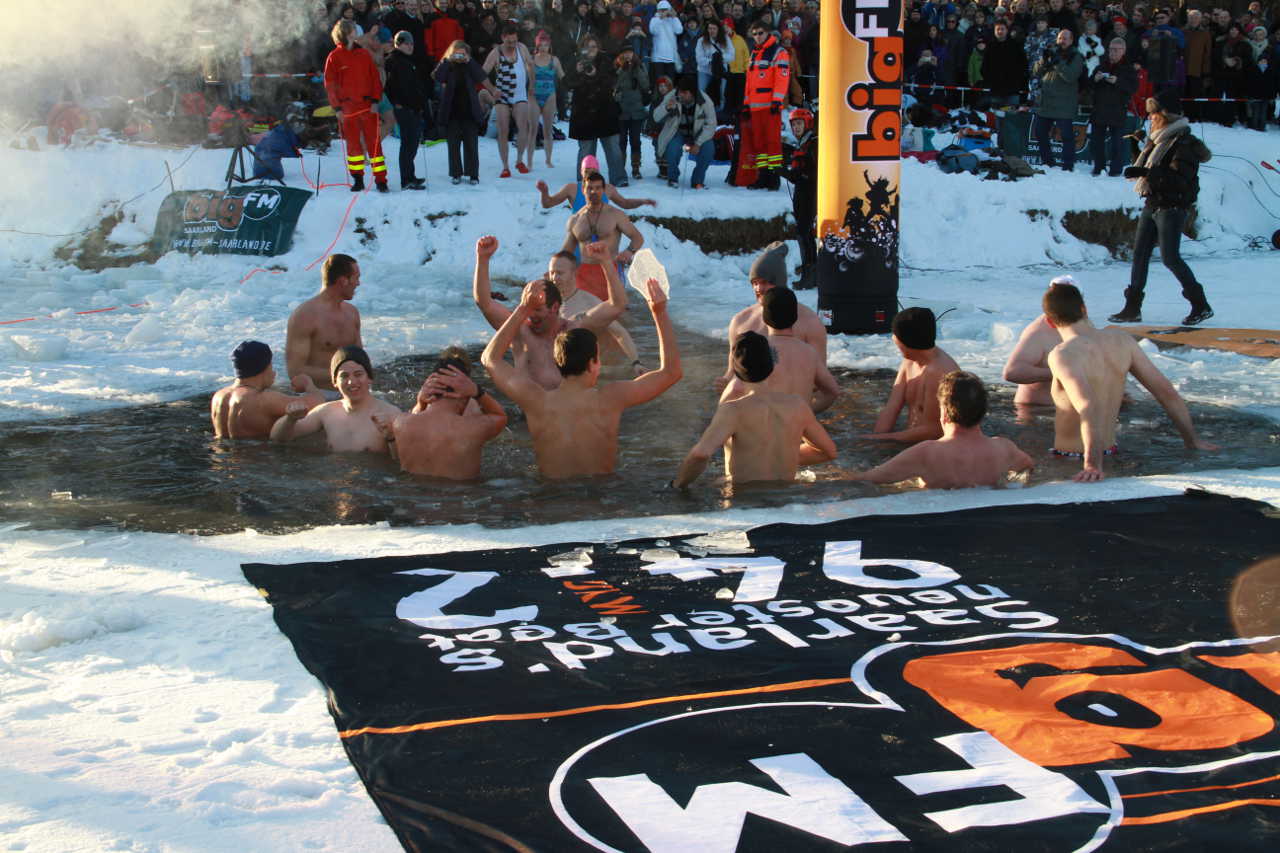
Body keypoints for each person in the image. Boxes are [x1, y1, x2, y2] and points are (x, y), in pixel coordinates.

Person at [481, 277, 682, 478]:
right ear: (593, 363)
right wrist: (659, 313)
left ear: (558, 362)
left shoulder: (535, 400)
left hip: (550, 499)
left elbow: (489, 358)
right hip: (601, 499)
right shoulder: (611, 398)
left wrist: (524, 309)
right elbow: (672, 372)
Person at [1042, 280, 1217, 481]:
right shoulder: (1121, 340)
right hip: (1112, 454)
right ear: (1084, 309)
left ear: (1049, 321)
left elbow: (1088, 406)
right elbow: (1165, 391)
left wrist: (1092, 465)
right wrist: (1192, 440)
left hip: (1073, 462)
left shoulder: (1064, 354)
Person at [674, 330, 836, 487]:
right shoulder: (797, 405)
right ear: (772, 364)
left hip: (745, 502)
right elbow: (828, 452)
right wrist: (781, 457)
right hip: (788, 501)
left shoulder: (734, 410)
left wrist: (676, 485)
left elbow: (700, 454)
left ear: (736, 369)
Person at [1108, 92, 1214, 326]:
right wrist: (1135, 147)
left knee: (1170, 258)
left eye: (1154, 114)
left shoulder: (1183, 143)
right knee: (1140, 255)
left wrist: (1146, 173)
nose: (1151, 118)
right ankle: (1132, 308)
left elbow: (1179, 179)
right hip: (1153, 202)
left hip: (1172, 206)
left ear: (1166, 116)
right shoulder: (1159, 141)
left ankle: (1200, 305)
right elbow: (1148, 168)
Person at [472, 235, 627, 389]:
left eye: (537, 309)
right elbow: (485, 303)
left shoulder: (573, 329)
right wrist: (483, 259)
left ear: (554, 307)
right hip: (531, 408)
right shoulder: (520, 331)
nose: (530, 314)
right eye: (527, 307)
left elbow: (617, 305)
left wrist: (606, 262)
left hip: (570, 407)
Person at [850, 371, 1034, 488]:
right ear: (983, 411)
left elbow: (871, 478)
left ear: (944, 412)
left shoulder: (927, 452)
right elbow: (1028, 467)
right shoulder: (1003, 448)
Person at [717, 241, 827, 391]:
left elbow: (819, 381)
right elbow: (733, 371)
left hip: (793, 407)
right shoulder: (741, 321)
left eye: (764, 282)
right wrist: (725, 382)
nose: (758, 288)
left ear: (780, 282)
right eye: (754, 283)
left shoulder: (810, 322)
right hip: (753, 407)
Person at [386, 348, 508, 478]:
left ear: (429, 390)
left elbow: (415, 417)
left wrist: (421, 403)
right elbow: (500, 416)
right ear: (466, 396)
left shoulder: (400, 422)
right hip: (463, 496)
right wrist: (478, 392)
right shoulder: (475, 428)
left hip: (411, 494)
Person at [720, 287, 838, 412]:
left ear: (764, 316)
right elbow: (832, 392)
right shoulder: (809, 352)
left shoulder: (759, 350)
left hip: (765, 424)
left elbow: (735, 389)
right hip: (798, 426)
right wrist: (808, 413)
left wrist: (724, 413)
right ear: (795, 316)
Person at [270, 346, 402, 453]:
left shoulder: (391, 414)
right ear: (334, 382)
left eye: (358, 374)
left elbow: (405, 462)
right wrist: (290, 419)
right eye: (344, 376)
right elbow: (277, 438)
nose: (351, 382)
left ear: (369, 378)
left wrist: (391, 438)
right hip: (336, 483)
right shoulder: (326, 412)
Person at [866, 307, 960, 443]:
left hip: (934, 449)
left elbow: (934, 429)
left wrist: (887, 438)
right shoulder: (909, 360)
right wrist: (876, 440)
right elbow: (892, 407)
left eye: (895, 335)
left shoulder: (941, 374)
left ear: (905, 341)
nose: (893, 338)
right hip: (910, 441)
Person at [546, 249, 643, 372]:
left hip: (591, 371)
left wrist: (636, 362)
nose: (554, 278)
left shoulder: (589, 303)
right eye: (552, 272)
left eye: (560, 273)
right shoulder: (547, 302)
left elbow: (619, 333)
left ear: (574, 273)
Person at [324, 19, 390, 192]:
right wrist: (337, 108)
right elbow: (330, 85)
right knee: (353, 146)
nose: (356, 31)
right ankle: (358, 179)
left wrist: (376, 101)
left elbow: (375, 79)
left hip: (368, 106)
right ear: (346, 33)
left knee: (374, 145)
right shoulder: (334, 57)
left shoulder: (364, 54)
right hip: (347, 109)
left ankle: (381, 181)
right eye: (353, 29)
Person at [211, 341, 326, 439]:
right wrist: (309, 385)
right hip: (257, 460)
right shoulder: (263, 399)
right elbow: (319, 402)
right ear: (265, 367)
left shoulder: (218, 396)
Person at [561, 171, 646, 301]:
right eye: (590, 188)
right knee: (584, 314)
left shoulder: (615, 214)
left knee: (616, 315)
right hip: (584, 273)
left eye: (598, 188)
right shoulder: (575, 219)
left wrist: (629, 252)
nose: (594, 192)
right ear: (583, 190)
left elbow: (637, 238)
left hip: (610, 271)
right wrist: (556, 269)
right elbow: (566, 251)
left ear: (604, 190)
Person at [286, 254, 363, 391]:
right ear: (343, 281)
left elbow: (360, 359)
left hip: (352, 391)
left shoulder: (352, 313)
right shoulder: (305, 315)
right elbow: (295, 371)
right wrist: (343, 375)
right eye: (356, 277)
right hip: (320, 393)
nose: (358, 283)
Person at [1002, 275, 1075, 408]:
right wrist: (1058, 373)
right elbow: (1012, 372)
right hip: (1035, 413)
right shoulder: (1038, 333)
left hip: (1067, 410)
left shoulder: (1079, 323)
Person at [735, 20, 791, 189]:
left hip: (770, 106)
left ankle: (774, 177)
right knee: (759, 143)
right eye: (754, 34)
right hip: (755, 107)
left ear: (768, 33)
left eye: (760, 33)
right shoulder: (755, 53)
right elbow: (749, 82)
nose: (757, 36)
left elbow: (782, 78)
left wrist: (776, 100)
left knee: (772, 142)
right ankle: (763, 175)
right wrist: (746, 104)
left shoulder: (778, 52)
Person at [567, 35, 627, 187]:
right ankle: (585, 179)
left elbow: (612, 82)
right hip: (584, 113)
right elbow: (566, 83)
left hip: (605, 111)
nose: (591, 50)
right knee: (586, 150)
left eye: (594, 46)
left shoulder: (606, 61)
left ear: (598, 48)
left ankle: (619, 178)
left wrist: (595, 74)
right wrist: (576, 72)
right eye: (588, 46)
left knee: (613, 148)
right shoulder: (576, 62)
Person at [434, 40, 496, 185]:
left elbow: (481, 76)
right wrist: (448, 61)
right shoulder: (447, 65)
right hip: (452, 111)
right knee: (453, 144)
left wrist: (470, 62)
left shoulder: (470, 66)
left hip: (469, 110)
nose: (460, 57)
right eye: (457, 54)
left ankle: (473, 174)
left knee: (471, 144)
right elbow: (438, 77)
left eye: (463, 54)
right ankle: (456, 173)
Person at [482, 23, 536, 177]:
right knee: (503, 131)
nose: (512, 44)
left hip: (520, 95)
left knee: (523, 127)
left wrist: (532, 84)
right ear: (503, 38)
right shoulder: (496, 52)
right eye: (509, 42)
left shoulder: (522, 48)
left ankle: (519, 160)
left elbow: (531, 66)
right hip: (502, 96)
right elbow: (482, 73)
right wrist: (492, 89)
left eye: (514, 41)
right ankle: (505, 166)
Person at [1032, 27, 1084, 171]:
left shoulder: (1076, 56)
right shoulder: (1052, 52)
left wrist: (1057, 62)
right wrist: (1043, 60)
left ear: (1072, 40)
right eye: (1060, 38)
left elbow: (1070, 76)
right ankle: (1047, 161)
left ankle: (1068, 165)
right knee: (1040, 132)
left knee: (1067, 136)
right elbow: (1036, 72)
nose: (1062, 41)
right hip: (1047, 102)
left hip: (1064, 104)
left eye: (1065, 38)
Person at [653, 76, 718, 188]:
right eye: (680, 91)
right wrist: (666, 108)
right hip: (677, 132)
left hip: (698, 134)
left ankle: (697, 180)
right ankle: (672, 178)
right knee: (672, 150)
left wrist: (698, 143)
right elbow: (656, 117)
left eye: (684, 92)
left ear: (692, 93)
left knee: (708, 149)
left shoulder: (705, 101)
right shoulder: (672, 96)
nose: (680, 94)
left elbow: (711, 125)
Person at [385, 30, 428, 189]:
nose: (410, 46)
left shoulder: (409, 61)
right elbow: (390, 86)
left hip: (413, 108)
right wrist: (397, 103)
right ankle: (406, 179)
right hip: (404, 108)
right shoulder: (393, 61)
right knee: (408, 143)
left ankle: (411, 176)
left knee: (413, 142)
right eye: (406, 43)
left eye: (411, 44)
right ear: (398, 44)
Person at [1088, 38, 1138, 177]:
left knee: (1117, 143)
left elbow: (1133, 88)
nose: (1113, 52)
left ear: (1123, 51)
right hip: (1099, 108)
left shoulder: (1128, 68)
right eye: (1111, 49)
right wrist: (1095, 79)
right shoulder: (1101, 66)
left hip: (1117, 109)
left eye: (1116, 50)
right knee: (1097, 142)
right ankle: (1099, 167)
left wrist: (1118, 81)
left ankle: (1116, 169)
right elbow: (1089, 85)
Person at [536, 154, 657, 209]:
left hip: (602, 240)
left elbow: (625, 203)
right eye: (587, 170)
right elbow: (548, 204)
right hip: (580, 239)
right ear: (581, 172)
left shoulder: (608, 188)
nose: (590, 172)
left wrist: (642, 201)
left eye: (593, 170)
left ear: (598, 172)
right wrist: (544, 192)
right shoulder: (571, 188)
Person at [780, 106, 816, 289]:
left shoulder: (813, 144)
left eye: (799, 123)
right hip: (803, 193)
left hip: (810, 193)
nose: (796, 127)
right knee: (805, 233)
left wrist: (785, 172)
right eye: (793, 124)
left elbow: (810, 173)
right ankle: (811, 272)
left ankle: (810, 275)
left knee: (804, 233)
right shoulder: (803, 144)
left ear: (808, 124)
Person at [613, 45, 652, 182]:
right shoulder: (617, 68)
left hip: (637, 110)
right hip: (621, 110)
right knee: (621, 141)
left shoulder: (640, 66)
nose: (628, 55)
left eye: (630, 52)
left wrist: (635, 69)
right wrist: (623, 69)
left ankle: (636, 168)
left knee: (635, 140)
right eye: (625, 52)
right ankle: (620, 168)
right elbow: (614, 86)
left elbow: (646, 85)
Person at [531, 30, 565, 168]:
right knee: (532, 130)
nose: (543, 47)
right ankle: (529, 160)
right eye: (541, 45)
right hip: (534, 95)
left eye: (546, 45)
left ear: (549, 45)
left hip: (549, 94)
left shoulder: (554, 60)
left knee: (547, 129)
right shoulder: (532, 60)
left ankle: (548, 159)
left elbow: (563, 76)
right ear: (537, 46)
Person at [649, 0, 684, 86]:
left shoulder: (673, 20)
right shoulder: (654, 20)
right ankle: (659, 99)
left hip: (671, 58)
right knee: (660, 83)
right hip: (658, 58)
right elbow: (653, 31)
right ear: (658, 10)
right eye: (661, 9)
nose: (663, 11)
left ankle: (670, 99)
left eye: (665, 9)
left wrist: (675, 17)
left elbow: (679, 30)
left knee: (670, 83)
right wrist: (660, 18)